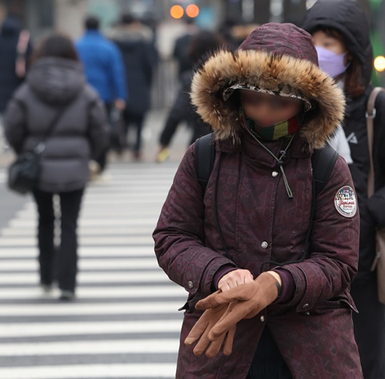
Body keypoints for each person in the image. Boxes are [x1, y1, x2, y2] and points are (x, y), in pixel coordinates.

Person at [153, 23, 362, 378]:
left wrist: (276, 283)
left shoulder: (326, 165)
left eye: (280, 101)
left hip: (311, 346)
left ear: (306, 101)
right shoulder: (205, 156)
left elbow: (338, 261)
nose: (264, 110)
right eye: (253, 98)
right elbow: (172, 236)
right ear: (233, 95)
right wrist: (220, 273)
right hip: (221, 340)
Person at [302, 2, 385, 378]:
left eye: (332, 42)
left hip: (362, 266)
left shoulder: (378, 108)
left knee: (365, 363)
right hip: (299, 264)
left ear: (354, 52)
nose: (321, 50)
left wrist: (372, 213)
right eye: (314, 40)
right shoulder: (289, 105)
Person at [5, 34, 109, 301]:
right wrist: (90, 155)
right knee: (70, 224)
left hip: (39, 166)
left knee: (44, 220)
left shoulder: (28, 89)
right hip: (75, 166)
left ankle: (46, 276)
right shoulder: (84, 90)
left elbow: (12, 126)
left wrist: (25, 152)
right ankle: (67, 284)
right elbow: (99, 129)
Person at [156, 31, 224, 162]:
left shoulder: (194, 79)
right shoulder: (232, 76)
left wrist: (164, 142)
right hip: (234, 144)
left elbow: (177, 112)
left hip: (203, 144)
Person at [76, 15, 127, 173]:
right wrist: (120, 96)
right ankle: (100, 163)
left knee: (82, 130)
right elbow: (117, 74)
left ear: (84, 27)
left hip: (79, 96)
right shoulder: (108, 47)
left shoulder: (76, 46)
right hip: (103, 97)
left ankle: (85, 162)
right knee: (101, 131)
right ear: (99, 27)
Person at [108, 14, 155, 160]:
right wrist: (148, 82)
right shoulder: (144, 41)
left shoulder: (114, 42)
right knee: (140, 118)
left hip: (122, 83)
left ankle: (121, 146)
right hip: (140, 82)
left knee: (124, 117)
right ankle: (137, 148)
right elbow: (149, 65)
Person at [0, 15, 32, 117]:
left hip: (1, 84)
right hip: (20, 83)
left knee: (4, 117)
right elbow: (31, 60)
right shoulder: (23, 40)